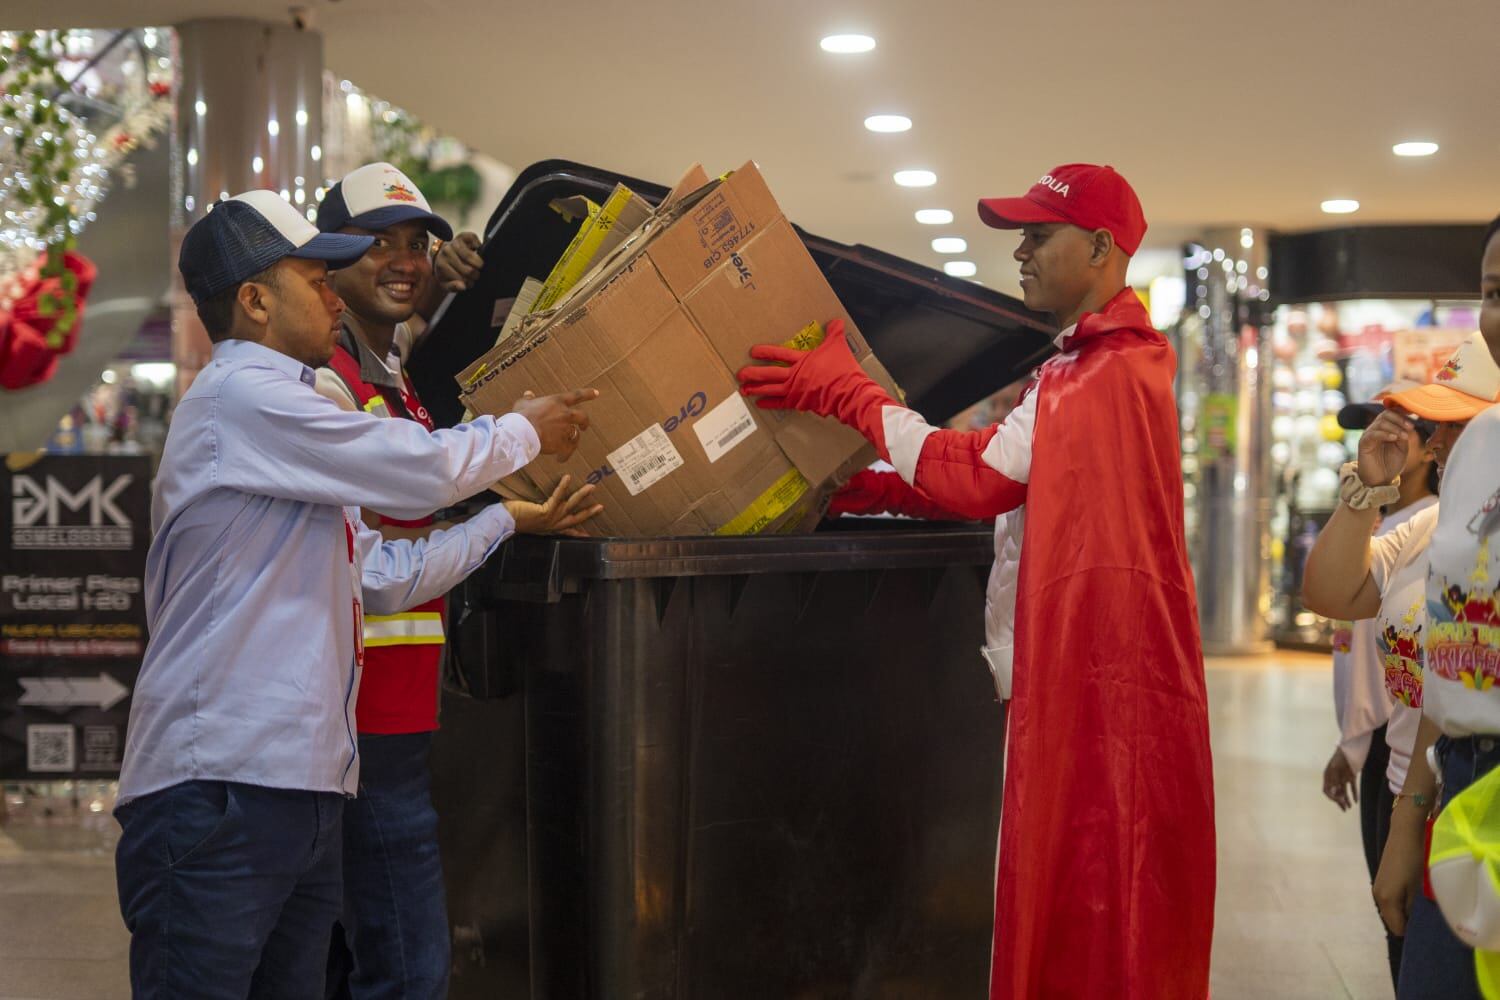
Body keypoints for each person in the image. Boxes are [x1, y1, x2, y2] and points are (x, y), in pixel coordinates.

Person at [737, 164, 1214, 999]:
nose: (1021, 253)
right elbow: (1027, 494)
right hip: (1099, 683)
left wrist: (854, 398)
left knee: (1087, 896)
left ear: (1102, 247)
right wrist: (880, 485)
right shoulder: (1092, 369)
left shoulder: (1104, 375)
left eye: (1038, 234)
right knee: (1085, 893)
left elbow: (981, 479)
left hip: (1096, 693)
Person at [112, 189, 597, 999]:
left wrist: (505, 521)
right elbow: (419, 467)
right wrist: (523, 430)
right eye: (316, 278)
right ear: (255, 300)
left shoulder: (290, 421)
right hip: (219, 788)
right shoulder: (242, 395)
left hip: (298, 791)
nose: (337, 294)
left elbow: (378, 579)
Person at [310, 162, 602, 1000]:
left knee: (352, 959)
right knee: (407, 970)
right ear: (327, 261)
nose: (402, 261)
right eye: (377, 245)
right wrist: (509, 517)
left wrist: (458, 294)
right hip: (360, 723)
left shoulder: (395, 379)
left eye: (416, 246)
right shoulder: (332, 384)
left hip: (392, 715)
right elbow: (373, 573)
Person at [1303, 357, 1494, 987]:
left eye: (1453, 426)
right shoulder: (1430, 528)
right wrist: (1367, 487)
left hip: (1462, 791)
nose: (1436, 444)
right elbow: (1331, 591)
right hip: (1410, 782)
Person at [1377, 215, 1500, 1000]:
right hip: (1462, 789)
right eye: (1494, 291)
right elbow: (1454, 640)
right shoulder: (1481, 444)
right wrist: (1405, 824)